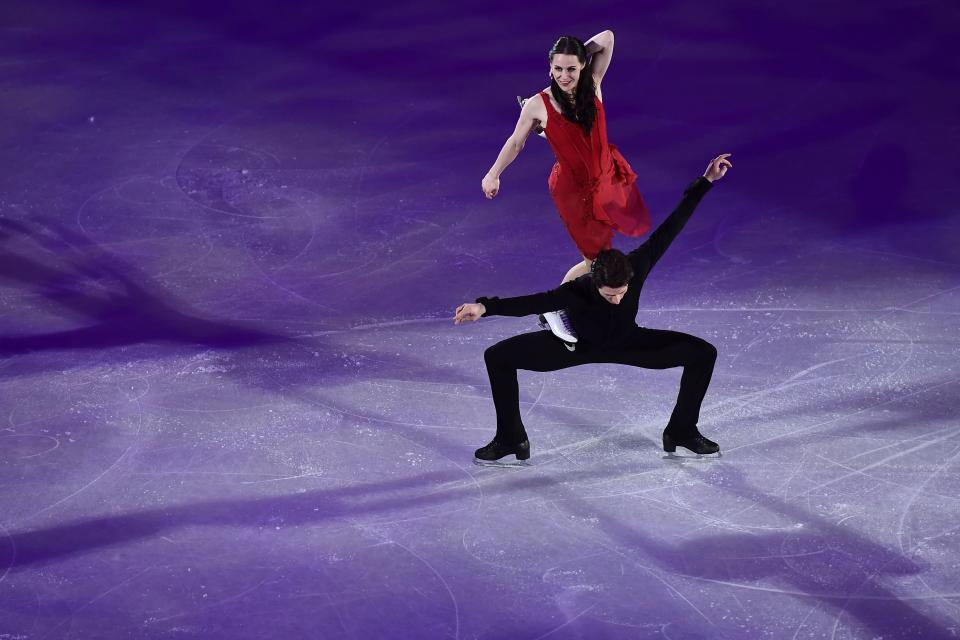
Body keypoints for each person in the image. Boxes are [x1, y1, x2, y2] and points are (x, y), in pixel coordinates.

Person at [456, 154, 732, 461]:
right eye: (608, 295)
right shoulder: (577, 290)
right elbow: (532, 303)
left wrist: (705, 181)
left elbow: (671, 227)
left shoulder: (636, 266)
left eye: (621, 294)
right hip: (577, 348)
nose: (616, 299)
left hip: (630, 344)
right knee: (498, 357)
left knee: (703, 353)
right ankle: (510, 438)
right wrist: (484, 307)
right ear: (594, 282)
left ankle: (681, 430)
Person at [481, 31, 652, 347]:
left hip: (605, 180)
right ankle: (554, 309)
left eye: (571, 69)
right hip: (575, 192)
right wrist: (493, 175)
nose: (564, 76)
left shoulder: (594, 84)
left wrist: (581, 54)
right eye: (557, 69)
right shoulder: (537, 105)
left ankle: (563, 306)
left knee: (596, 260)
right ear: (549, 68)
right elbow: (515, 142)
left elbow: (609, 37)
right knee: (597, 261)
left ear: (583, 67)